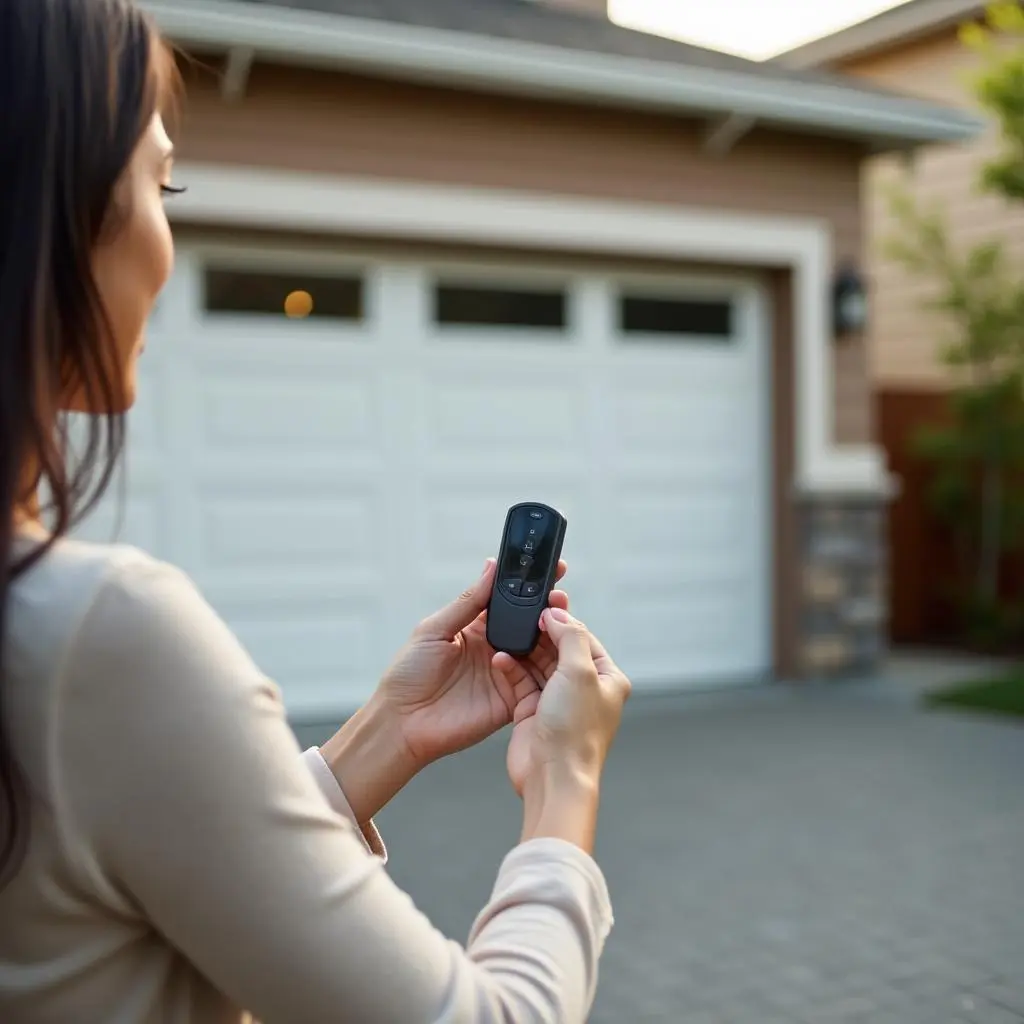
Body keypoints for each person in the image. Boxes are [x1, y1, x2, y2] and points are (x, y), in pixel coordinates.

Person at [0, 1, 632, 1021]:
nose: (169, 236)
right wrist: (565, 780)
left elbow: (161, 848)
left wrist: (390, 729)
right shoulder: (92, 635)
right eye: (160, 183)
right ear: (52, 213)